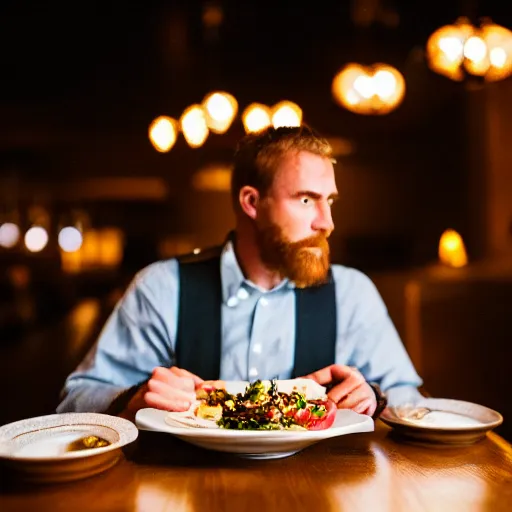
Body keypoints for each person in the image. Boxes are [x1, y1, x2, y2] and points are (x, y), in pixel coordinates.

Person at [57, 125, 422, 421]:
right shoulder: (162, 287)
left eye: (330, 201)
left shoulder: (352, 293)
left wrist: (374, 397)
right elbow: (74, 400)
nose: (326, 222)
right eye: (307, 199)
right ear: (251, 202)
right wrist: (132, 398)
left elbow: (412, 401)